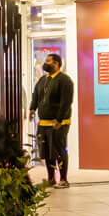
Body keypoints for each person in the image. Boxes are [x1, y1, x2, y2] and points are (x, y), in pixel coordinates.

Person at [31, 52, 76, 185]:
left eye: (48, 61)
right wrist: (32, 108)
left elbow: (66, 102)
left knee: (59, 150)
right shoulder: (43, 80)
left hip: (58, 123)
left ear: (56, 64)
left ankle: (63, 179)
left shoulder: (65, 80)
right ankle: (51, 178)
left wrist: (59, 119)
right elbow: (36, 95)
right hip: (43, 123)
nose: (45, 63)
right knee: (46, 152)